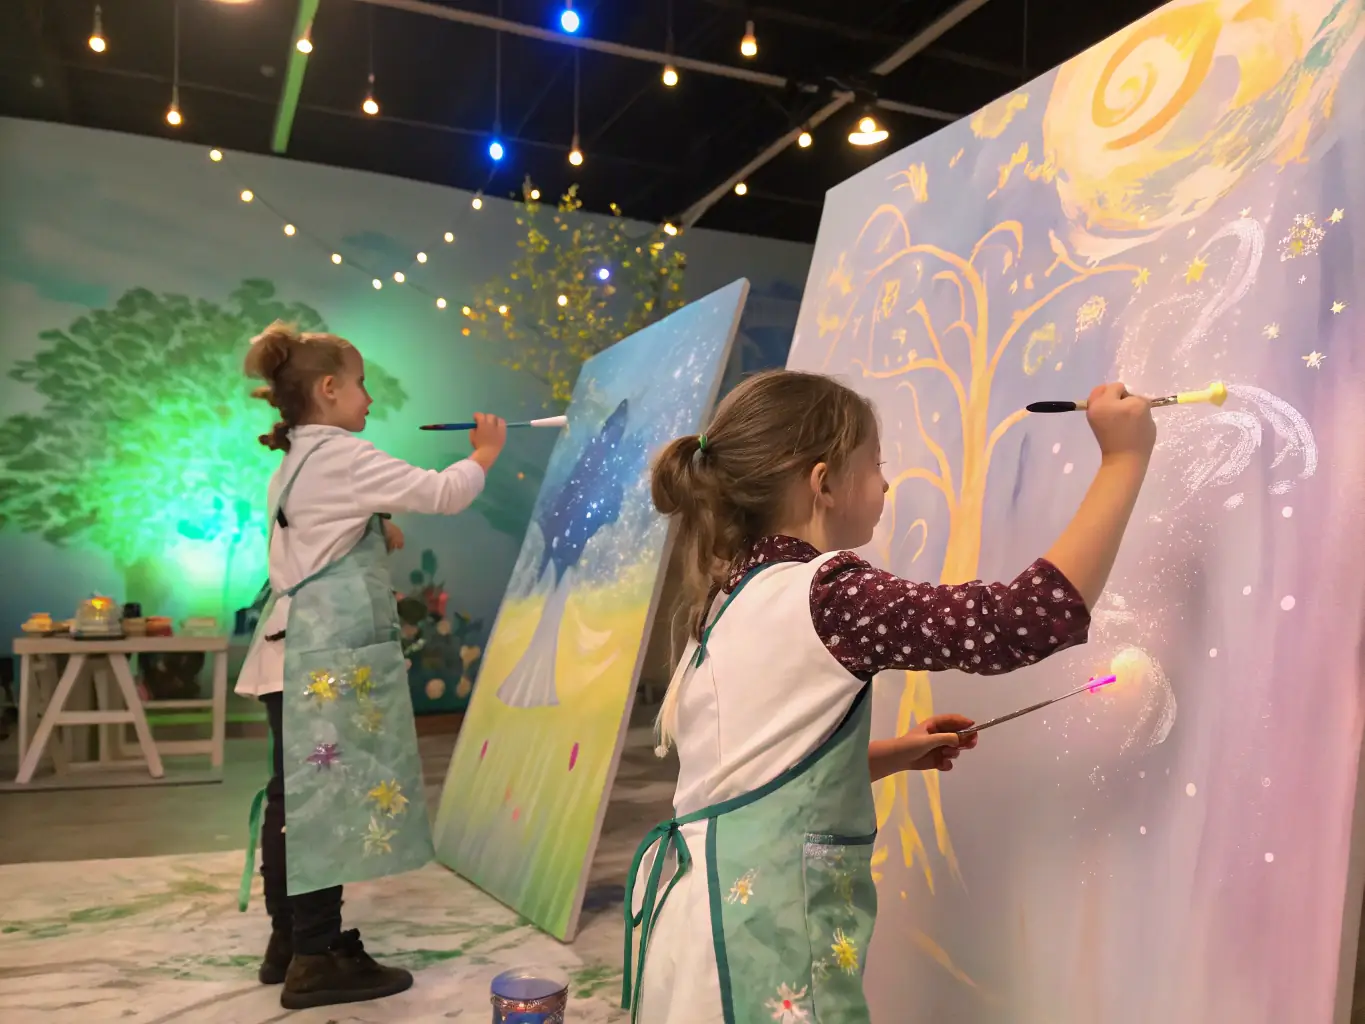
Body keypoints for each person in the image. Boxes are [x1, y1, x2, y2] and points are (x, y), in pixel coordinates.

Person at [624, 371, 1155, 1023]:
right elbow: (1024, 620)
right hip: (763, 930)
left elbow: (746, 773)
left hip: (695, 922)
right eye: (874, 465)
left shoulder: (730, 596)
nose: (884, 483)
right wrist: (1123, 458)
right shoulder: (829, 594)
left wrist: (886, 756)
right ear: (822, 483)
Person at [234, 321, 506, 1010]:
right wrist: (484, 452)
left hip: (286, 656)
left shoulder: (296, 460)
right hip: (314, 662)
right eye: (360, 387)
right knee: (320, 806)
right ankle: (318, 955)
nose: (368, 402)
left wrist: (371, 523)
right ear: (328, 390)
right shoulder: (342, 454)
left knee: (294, 802)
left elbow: (315, 532)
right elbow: (444, 492)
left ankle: (290, 940)